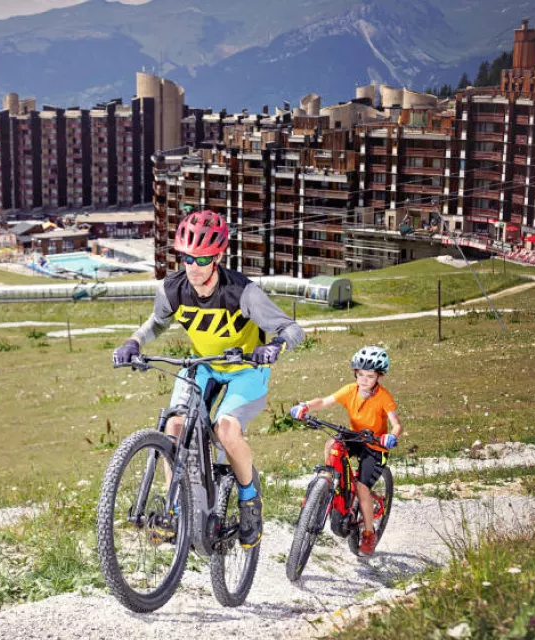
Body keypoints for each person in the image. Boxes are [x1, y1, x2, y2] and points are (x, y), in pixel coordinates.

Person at [112, 210, 304, 549]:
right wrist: (134, 341)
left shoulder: (243, 293)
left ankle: (249, 500)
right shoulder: (173, 289)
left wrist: (273, 347)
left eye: (202, 259)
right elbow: (156, 323)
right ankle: (175, 512)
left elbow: (293, 329)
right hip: (203, 365)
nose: (193, 266)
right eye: (188, 258)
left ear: (217, 257)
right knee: (173, 427)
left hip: (246, 368)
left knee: (226, 429)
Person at [290, 346, 403, 556]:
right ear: (355, 373)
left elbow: (396, 423)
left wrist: (391, 436)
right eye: (360, 374)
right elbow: (324, 401)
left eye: (370, 376)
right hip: (355, 437)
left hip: (375, 445)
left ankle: (369, 533)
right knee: (333, 445)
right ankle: (328, 482)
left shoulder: (384, 397)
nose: (364, 379)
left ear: (379, 376)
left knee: (361, 488)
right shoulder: (350, 390)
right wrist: (305, 406)